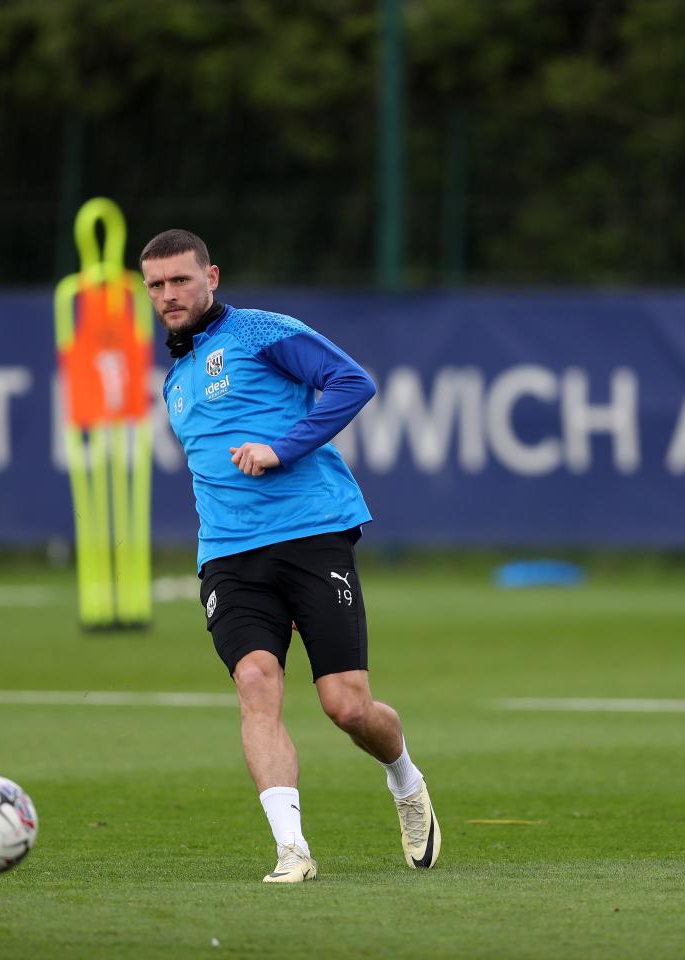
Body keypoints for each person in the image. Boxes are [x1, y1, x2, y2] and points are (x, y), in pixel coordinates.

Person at [139, 228, 440, 883]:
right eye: (157, 285)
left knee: (347, 707)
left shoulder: (257, 332)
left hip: (311, 535)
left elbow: (351, 383)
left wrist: (283, 447)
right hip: (228, 556)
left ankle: (405, 780)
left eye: (180, 280)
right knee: (255, 683)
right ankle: (292, 850)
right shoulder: (176, 380)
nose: (169, 295)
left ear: (211, 277)